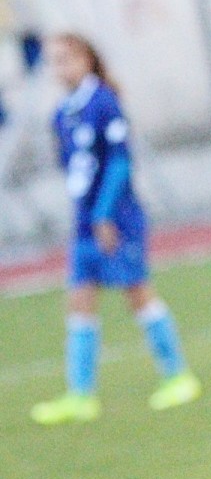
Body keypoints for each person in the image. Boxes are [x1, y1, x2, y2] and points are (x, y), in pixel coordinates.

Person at [30, 33, 200, 425]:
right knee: (79, 301)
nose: (60, 67)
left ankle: (179, 376)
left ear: (87, 59)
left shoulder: (104, 102)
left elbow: (120, 163)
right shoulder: (62, 113)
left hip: (115, 221)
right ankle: (80, 395)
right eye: (54, 60)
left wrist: (104, 213)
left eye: (67, 58)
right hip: (84, 223)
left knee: (137, 293)